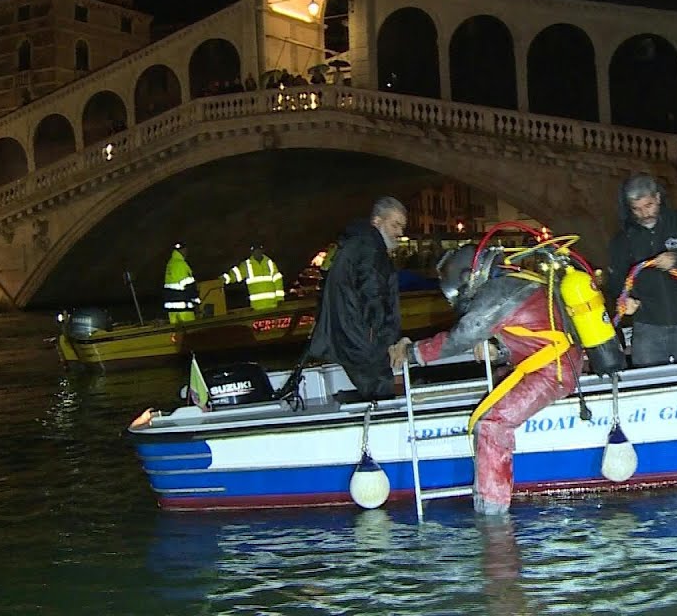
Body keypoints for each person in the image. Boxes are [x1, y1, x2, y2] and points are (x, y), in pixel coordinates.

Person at [391, 244, 580, 516]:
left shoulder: (496, 292)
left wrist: (412, 352)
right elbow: (533, 331)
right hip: (556, 363)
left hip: (552, 371)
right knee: (494, 394)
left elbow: (461, 336)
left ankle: (493, 513)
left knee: (492, 423)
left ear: (469, 276)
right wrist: (499, 349)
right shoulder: (518, 280)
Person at [605, 173, 677, 366]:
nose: (644, 214)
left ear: (658, 198)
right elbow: (616, 280)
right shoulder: (623, 239)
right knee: (648, 378)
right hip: (647, 325)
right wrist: (626, 299)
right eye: (637, 209)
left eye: (648, 206)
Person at [306, 197, 408, 400]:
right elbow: (373, 295)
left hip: (350, 337)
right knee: (382, 393)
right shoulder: (371, 249)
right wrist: (386, 341)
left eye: (402, 227)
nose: (399, 233)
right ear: (377, 221)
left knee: (377, 390)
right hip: (363, 342)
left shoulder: (357, 244)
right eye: (395, 225)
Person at [220, 243, 285, 310]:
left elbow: (278, 281)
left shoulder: (269, 263)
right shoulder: (246, 265)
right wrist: (225, 278)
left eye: (258, 250)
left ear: (262, 250)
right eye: (255, 250)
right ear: (251, 252)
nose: (257, 252)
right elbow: (236, 274)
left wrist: (280, 299)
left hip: (272, 305)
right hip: (257, 307)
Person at [162, 242, 200, 324]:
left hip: (172, 309)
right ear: (184, 250)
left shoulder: (170, 263)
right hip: (183, 308)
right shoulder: (181, 264)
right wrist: (196, 302)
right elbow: (189, 285)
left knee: (176, 330)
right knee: (190, 329)